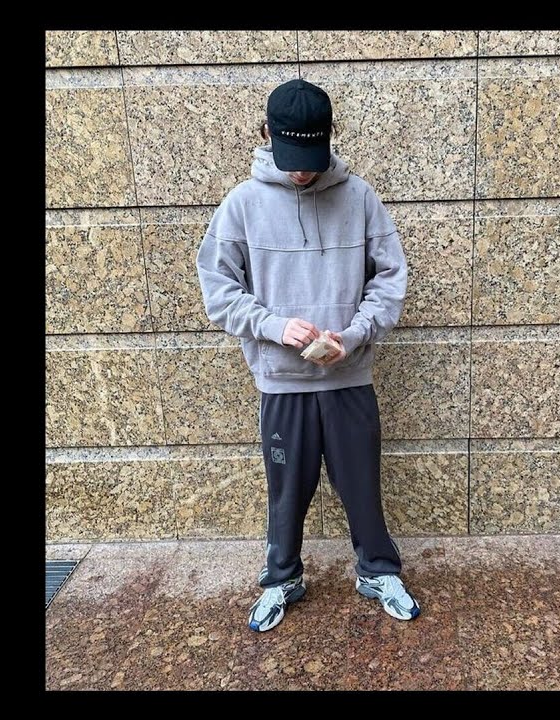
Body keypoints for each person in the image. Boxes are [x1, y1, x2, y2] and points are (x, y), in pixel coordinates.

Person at [196, 78, 419, 633]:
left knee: (362, 488)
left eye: (311, 158)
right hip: (281, 382)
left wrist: (356, 333)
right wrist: (274, 326)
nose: (301, 172)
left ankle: (378, 572)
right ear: (266, 134)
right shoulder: (242, 205)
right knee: (287, 494)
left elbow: (390, 278)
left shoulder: (359, 197)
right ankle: (282, 579)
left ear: (330, 137)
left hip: (349, 376)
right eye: (291, 159)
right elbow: (218, 291)